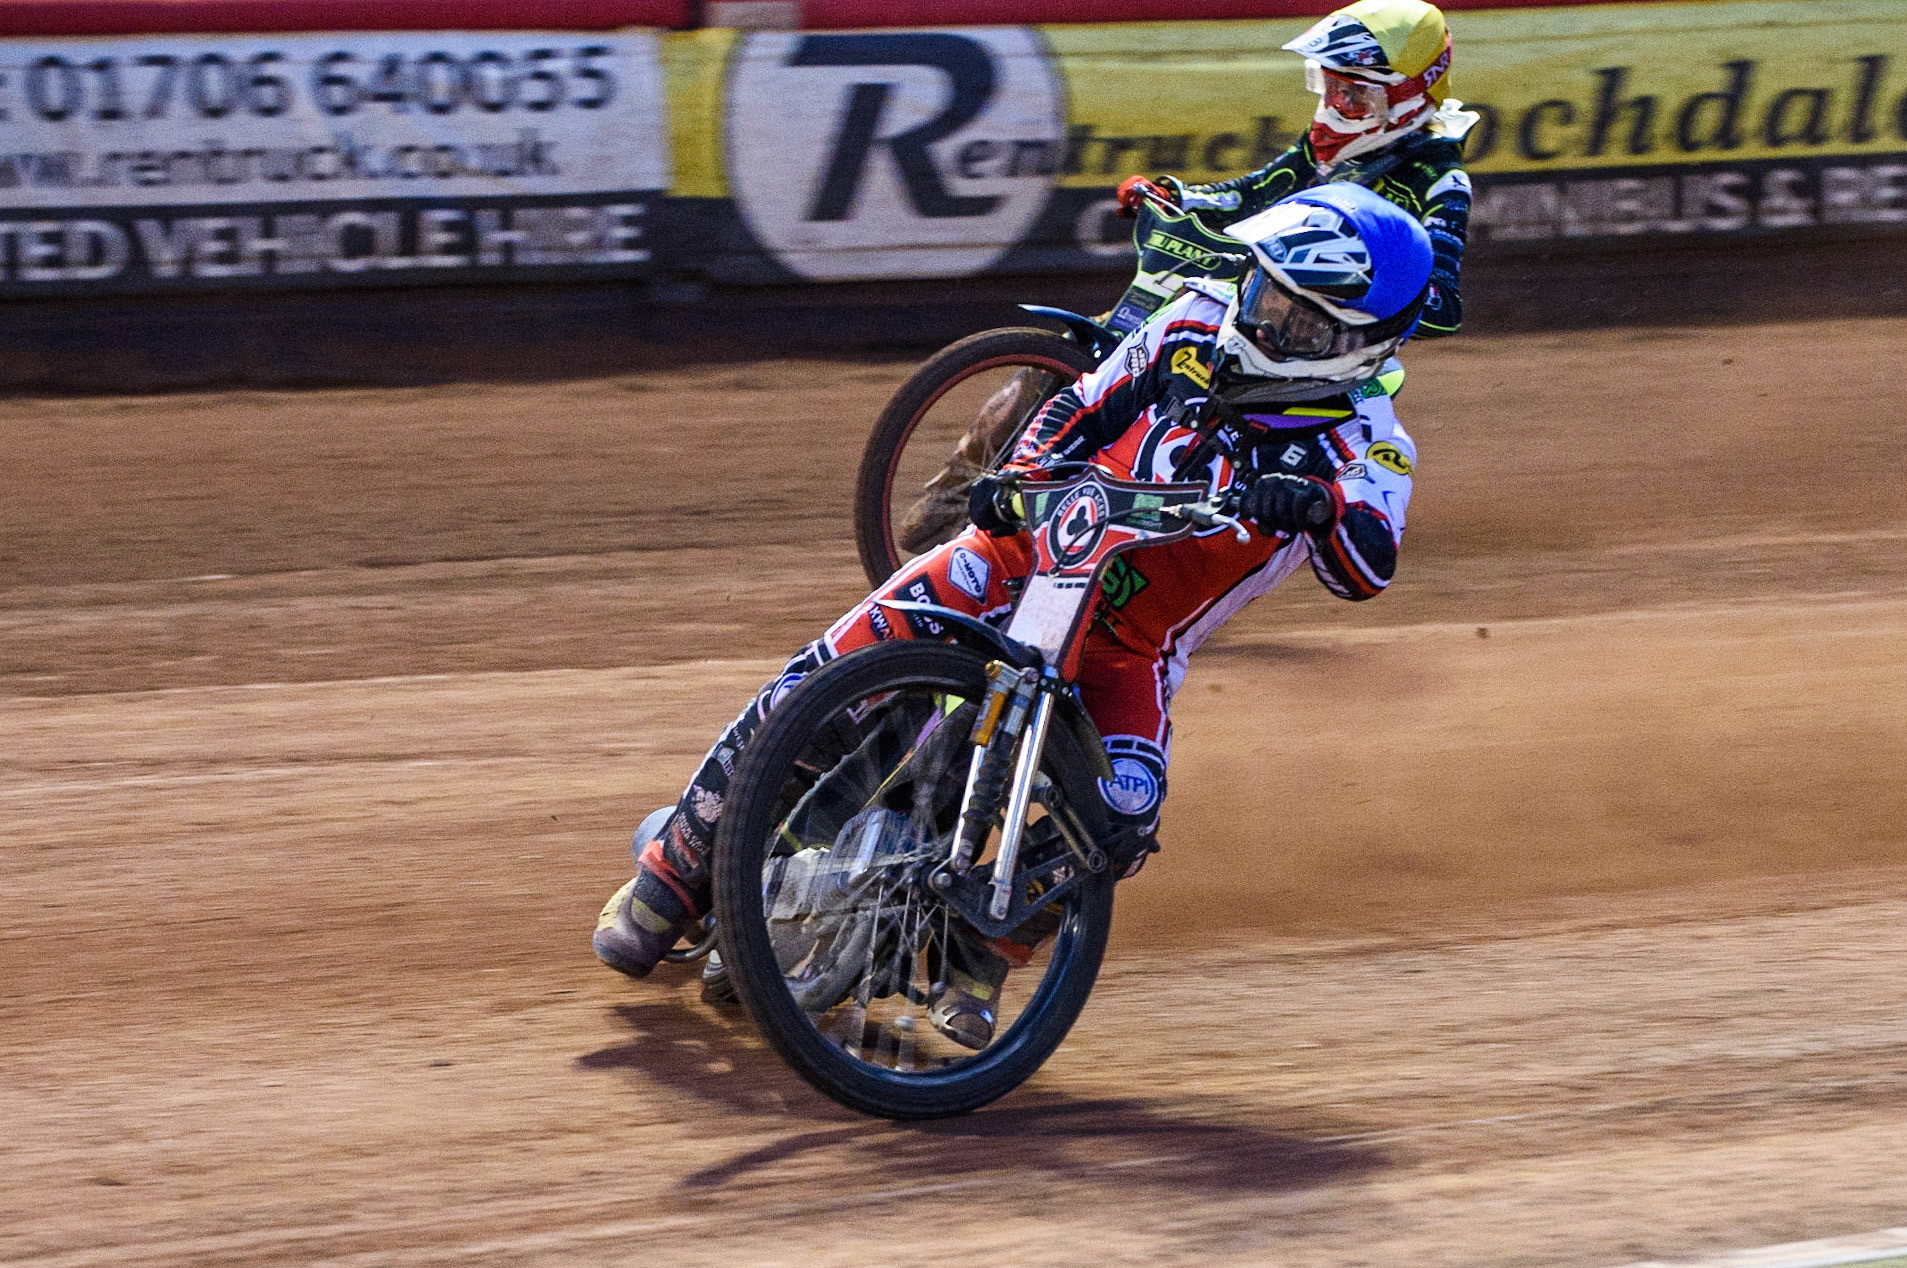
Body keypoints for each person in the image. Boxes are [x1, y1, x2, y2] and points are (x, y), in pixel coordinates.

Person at [595, 182, 1433, 1049]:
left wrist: (1322, 509)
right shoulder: (1191, 322)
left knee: (1125, 819)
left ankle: (977, 946)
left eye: (1296, 323)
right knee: (826, 673)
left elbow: (1369, 565)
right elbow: (1079, 404)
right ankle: (670, 876)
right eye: (1262, 293)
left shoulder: (1364, 441)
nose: (1261, 324)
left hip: (1127, 649)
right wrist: (1018, 474)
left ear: (1358, 345)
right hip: (1017, 557)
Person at [1117, 0, 1475, 338]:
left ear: (1405, 101)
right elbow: (1258, 192)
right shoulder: (1326, 143)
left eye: (1354, 95)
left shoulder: (1440, 180)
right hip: (1263, 309)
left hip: (1333, 345)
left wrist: (1326, 284)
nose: (1336, 105)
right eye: (1330, 86)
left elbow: (1442, 309)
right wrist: (1177, 196)